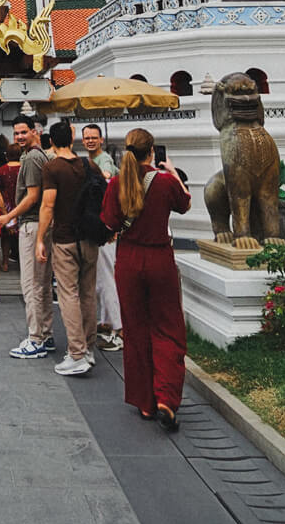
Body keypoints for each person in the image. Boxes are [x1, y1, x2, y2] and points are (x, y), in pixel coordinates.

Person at [100, 128, 192, 429]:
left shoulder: (116, 183)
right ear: (151, 151)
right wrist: (173, 172)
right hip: (159, 258)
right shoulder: (165, 182)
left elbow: (110, 222)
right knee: (167, 329)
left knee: (136, 330)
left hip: (128, 261)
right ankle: (166, 397)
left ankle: (145, 403)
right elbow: (184, 204)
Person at [38, 120, 101, 376]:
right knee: (87, 293)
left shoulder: (52, 167)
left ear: (51, 142)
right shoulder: (89, 165)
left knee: (68, 294)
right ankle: (88, 347)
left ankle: (76, 353)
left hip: (64, 238)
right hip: (90, 237)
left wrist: (41, 237)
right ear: (72, 140)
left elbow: (48, 205)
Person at [0, 115, 53, 358]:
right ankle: (46, 333)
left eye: (23, 132)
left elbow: (32, 196)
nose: (19, 136)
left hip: (31, 224)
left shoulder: (31, 158)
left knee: (31, 283)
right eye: (16, 133)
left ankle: (36, 338)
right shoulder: (39, 155)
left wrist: (8, 216)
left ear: (34, 131)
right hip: (40, 223)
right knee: (42, 283)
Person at [82, 124, 122, 351]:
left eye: (93, 138)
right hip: (99, 225)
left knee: (106, 277)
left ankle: (117, 326)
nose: (89, 141)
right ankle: (108, 320)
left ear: (101, 139)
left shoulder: (104, 161)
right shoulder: (91, 160)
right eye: (86, 138)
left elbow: (105, 180)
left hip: (104, 226)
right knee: (101, 277)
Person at [0, 143, 22, 284]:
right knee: (22, 236)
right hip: (22, 205)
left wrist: (4, 210)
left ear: (6, 155)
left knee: (5, 237)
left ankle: (5, 262)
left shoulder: (1, 170)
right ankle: (23, 263)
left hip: (7, 205)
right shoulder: (23, 168)